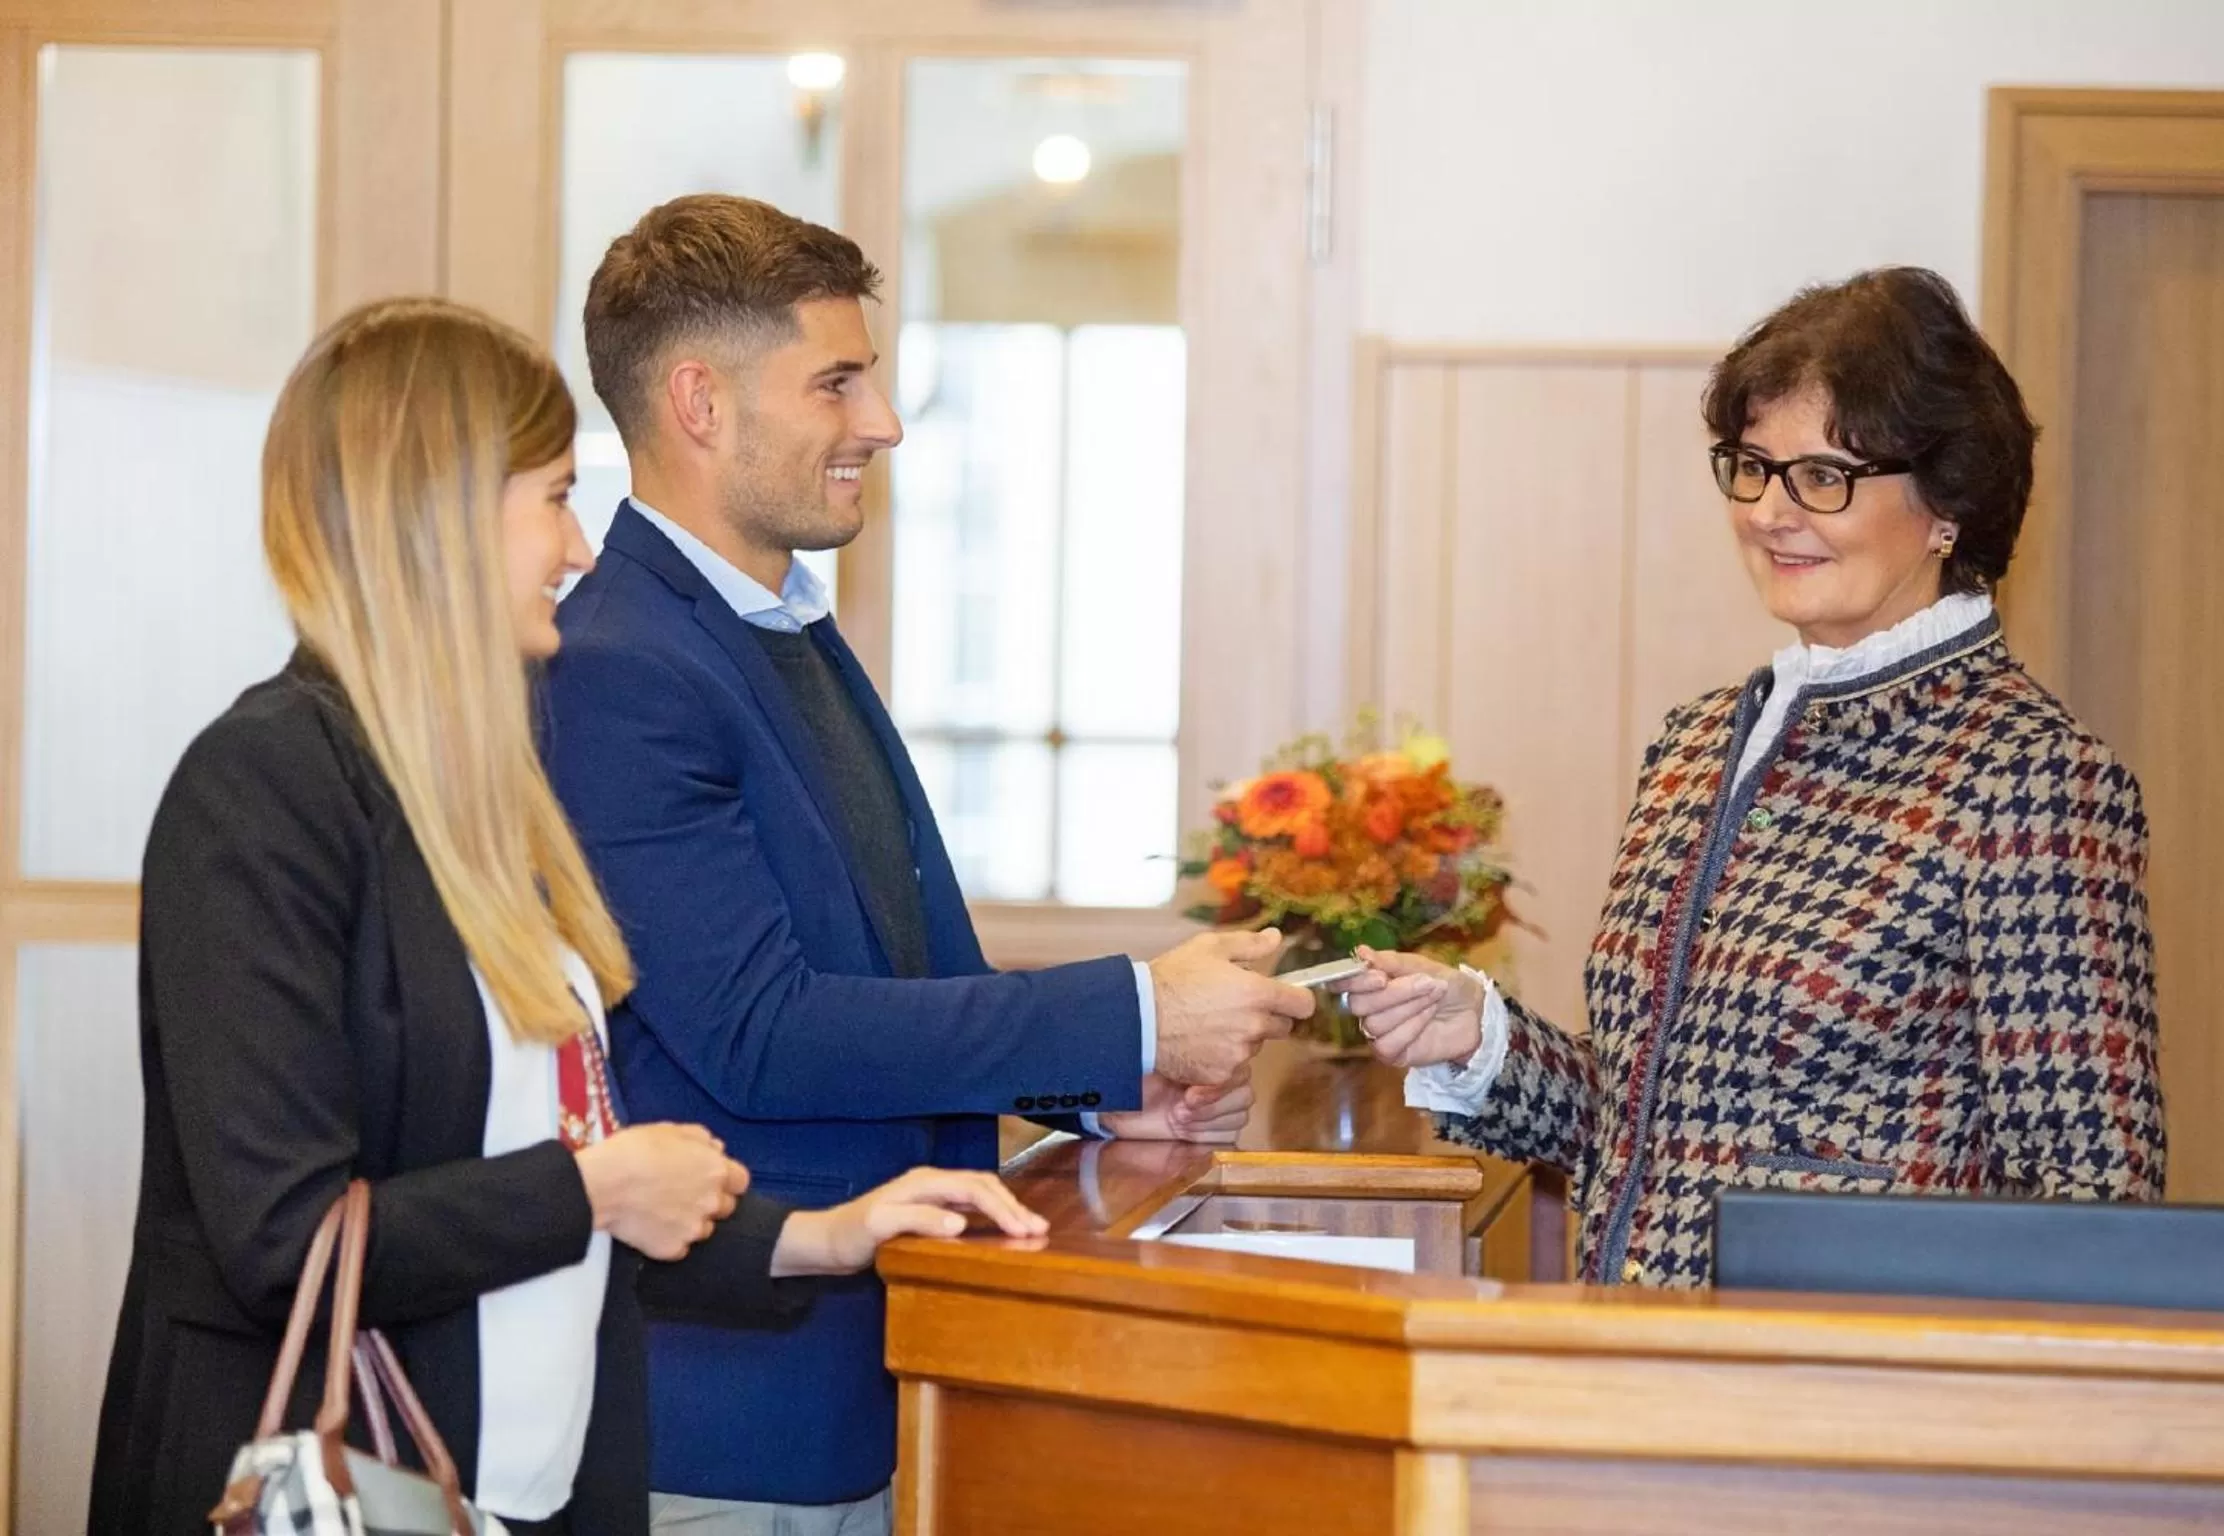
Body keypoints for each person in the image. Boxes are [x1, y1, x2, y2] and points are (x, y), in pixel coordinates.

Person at [88, 297, 1045, 1536]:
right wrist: (591, 1191)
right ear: (432, 520)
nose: (581, 549)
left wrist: (824, 1235)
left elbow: (541, 1157)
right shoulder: (265, 786)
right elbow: (288, 1235)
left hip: (527, 1496)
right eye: (550, 497)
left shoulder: (489, 791)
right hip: (342, 1489)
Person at [542, 193, 1311, 1530]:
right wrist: (1139, 1009)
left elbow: (895, 974)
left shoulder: (773, 622)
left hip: (862, 1382)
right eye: (837, 381)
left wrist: (1095, 1095)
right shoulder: (623, 666)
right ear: (699, 403)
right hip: (726, 1418)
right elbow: (759, 1032)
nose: (883, 422)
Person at [1343, 266, 2166, 1289]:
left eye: (1825, 476)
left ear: (1946, 504)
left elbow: (2091, 1197)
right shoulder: (1697, 746)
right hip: (1635, 1372)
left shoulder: (2031, 777)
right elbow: (1652, 1123)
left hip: (1836, 1407)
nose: (1773, 512)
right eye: (1753, 467)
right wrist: (1483, 1042)